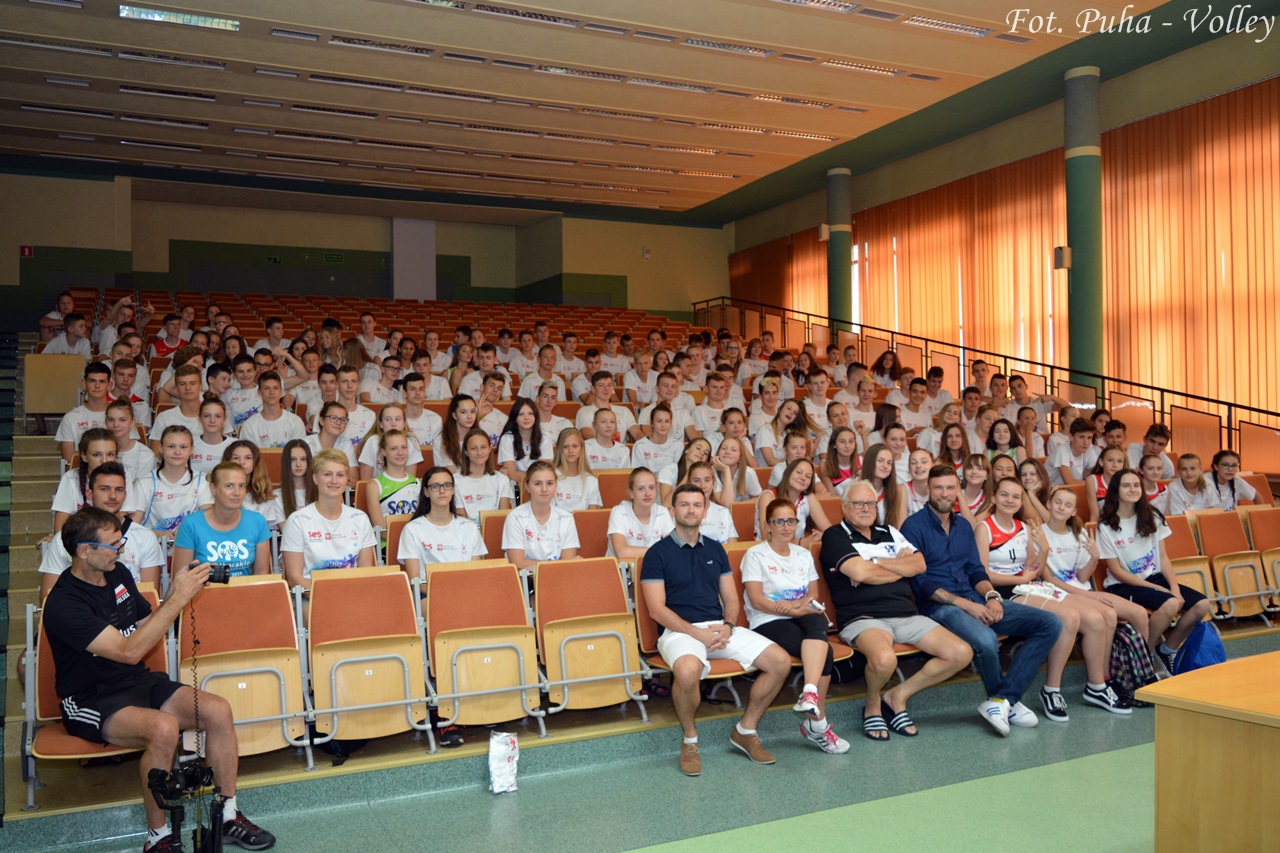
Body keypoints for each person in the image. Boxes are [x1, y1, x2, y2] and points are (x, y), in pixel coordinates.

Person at [43, 507, 275, 853]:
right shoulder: (64, 602)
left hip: (137, 682)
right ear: (83, 550)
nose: (120, 550)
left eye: (120, 543)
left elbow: (145, 623)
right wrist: (178, 598)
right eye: (112, 545)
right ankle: (158, 837)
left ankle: (227, 815)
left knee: (218, 710)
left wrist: (177, 592)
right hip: (90, 698)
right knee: (163, 728)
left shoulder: (117, 572)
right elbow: (127, 651)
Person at [900, 464, 1062, 737]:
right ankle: (1003, 701)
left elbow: (976, 570)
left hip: (976, 599)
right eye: (938, 487)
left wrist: (992, 597)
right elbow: (921, 584)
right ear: (928, 489)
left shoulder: (964, 526)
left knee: (1050, 623)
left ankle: (1002, 700)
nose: (944, 493)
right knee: (986, 639)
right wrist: (969, 606)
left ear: (957, 491)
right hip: (939, 607)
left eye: (950, 487)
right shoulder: (913, 526)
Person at [640, 484, 792, 776]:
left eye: (697, 505)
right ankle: (690, 740)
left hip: (718, 628)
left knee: (780, 661)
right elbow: (656, 611)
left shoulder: (715, 549)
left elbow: (731, 599)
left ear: (705, 511)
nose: (691, 510)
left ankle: (745, 731)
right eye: (684, 505)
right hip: (679, 632)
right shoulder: (657, 554)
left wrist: (728, 625)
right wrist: (698, 634)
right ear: (672, 511)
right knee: (686, 671)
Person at [820, 481, 973, 741]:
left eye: (870, 503)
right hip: (863, 617)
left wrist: (875, 563)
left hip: (906, 614)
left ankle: (896, 696)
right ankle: (872, 705)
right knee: (884, 659)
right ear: (844, 507)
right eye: (858, 503)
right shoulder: (835, 535)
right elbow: (859, 572)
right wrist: (898, 567)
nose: (866, 509)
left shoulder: (889, 531)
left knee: (961, 653)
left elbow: (919, 564)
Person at [977, 477, 1132, 720]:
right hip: (1006, 592)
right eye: (1005, 495)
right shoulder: (984, 528)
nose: (1010, 500)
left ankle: (1096, 686)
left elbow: (1034, 569)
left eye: (1016, 497)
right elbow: (982, 573)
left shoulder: (1024, 528)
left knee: (1096, 618)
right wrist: (1020, 579)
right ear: (994, 497)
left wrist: (1044, 551)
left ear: (1021, 502)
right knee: (1069, 617)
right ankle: (1051, 689)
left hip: (1029, 586)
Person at [739, 499, 849, 753]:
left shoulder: (803, 554)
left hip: (802, 614)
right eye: (779, 521)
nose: (786, 527)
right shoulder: (755, 554)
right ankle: (817, 722)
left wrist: (798, 606)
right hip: (768, 620)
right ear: (768, 525)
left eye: (791, 521)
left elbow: (812, 596)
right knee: (825, 652)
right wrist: (791, 607)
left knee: (816, 628)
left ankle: (809, 693)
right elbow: (757, 600)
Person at [1097, 470, 1213, 673]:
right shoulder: (1106, 526)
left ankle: (1167, 648)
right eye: (1126, 485)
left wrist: (1174, 588)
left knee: (1201, 605)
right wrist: (1160, 591)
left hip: (1154, 578)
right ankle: (1146, 655)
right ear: (1116, 490)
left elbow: (1163, 558)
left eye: (1136, 485)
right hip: (1122, 585)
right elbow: (1116, 571)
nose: (1132, 489)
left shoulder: (1153, 516)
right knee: (1170, 604)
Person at [39, 462, 164, 601]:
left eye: (119, 490)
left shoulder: (145, 537)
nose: (112, 496)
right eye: (104, 489)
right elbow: (48, 599)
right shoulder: (63, 538)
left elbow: (150, 598)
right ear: (89, 494)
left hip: (130, 615)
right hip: (80, 615)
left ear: (126, 494)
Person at [280, 450, 378, 593]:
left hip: (353, 594)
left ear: (346, 479)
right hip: (312, 597)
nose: (334, 481)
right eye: (327, 474)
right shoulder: (297, 521)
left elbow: (366, 571)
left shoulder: (360, 518)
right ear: (315, 478)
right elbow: (294, 578)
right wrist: (327, 599)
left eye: (340, 475)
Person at [172, 462, 272, 579]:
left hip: (245, 593)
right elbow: (181, 580)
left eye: (241, 486)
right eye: (229, 486)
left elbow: (261, 575)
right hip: (204, 594)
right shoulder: (191, 524)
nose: (237, 493)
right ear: (213, 489)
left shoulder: (257, 521)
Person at [398, 468, 487, 581]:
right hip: (429, 594)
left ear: (453, 490)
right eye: (435, 486)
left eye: (447, 485)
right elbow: (415, 581)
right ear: (426, 491)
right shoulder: (412, 529)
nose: (442, 491)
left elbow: (476, 575)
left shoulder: (470, 527)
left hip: (466, 591)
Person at [127, 426, 209, 539]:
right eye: (171, 446)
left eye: (183, 447)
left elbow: (208, 522)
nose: (177, 452)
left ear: (192, 450)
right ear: (160, 448)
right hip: (153, 549)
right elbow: (132, 527)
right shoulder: (144, 483)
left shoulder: (202, 481)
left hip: (191, 549)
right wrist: (156, 534)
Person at [501, 461, 580, 569]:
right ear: (527, 486)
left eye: (550, 483)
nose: (544, 489)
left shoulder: (566, 518)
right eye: (537, 484)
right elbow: (519, 563)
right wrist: (558, 565)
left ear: (556, 485)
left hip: (561, 580)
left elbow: (568, 566)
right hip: (526, 583)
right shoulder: (515, 518)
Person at [754, 458, 832, 545]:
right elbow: (768, 537)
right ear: (788, 473)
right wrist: (802, 542)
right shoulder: (768, 496)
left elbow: (829, 530)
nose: (803, 478)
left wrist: (822, 536)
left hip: (797, 552)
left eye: (808, 476)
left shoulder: (809, 498)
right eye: (799, 472)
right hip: (767, 552)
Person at [607, 468, 676, 560]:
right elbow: (622, 552)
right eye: (641, 489)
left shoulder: (662, 512)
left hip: (654, 570)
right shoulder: (619, 512)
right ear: (631, 493)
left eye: (651, 488)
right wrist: (660, 551)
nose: (647, 493)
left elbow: (674, 548)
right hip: (622, 572)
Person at [364, 430, 420, 538]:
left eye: (404, 447)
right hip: (389, 546)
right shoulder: (374, 485)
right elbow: (382, 532)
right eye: (394, 448)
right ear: (383, 452)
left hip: (416, 545)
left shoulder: (418, 483)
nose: (400, 453)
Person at [57, 362, 113, 463]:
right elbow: (70, 461)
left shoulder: (121, 415)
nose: (97, 386)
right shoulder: (70, 418)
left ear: (109, 385)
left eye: (102, 381)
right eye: (92, 381)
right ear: (84, 384)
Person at [454, 427, 514, 521]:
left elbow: (504, 518)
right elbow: (461, 520)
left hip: (493, 532)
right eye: (473, 448)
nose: (479, 452)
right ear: (466, 451)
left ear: (490, 449)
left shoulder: (502, 479)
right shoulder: (455, 481)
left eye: (483, 447)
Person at [222, 440, 284, 529]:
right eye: (236, 458)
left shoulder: (264, 495)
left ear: (255, 462)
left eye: (248, 458)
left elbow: (263, 531)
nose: (241, 462)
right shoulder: (218, 491)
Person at [237, 372, 305, 450]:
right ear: (259, 392)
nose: (272, 392)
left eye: (275, 388)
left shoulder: (295, 421)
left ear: (281, 391)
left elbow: (299, 454)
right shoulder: (249, 425)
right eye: (266, 388)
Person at [357, 403, 425, 480]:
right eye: (388, 419)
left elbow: (409, 480)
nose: (393, 424)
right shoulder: (372, 442)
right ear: (381, 424)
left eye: (398, 419)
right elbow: (365, 481)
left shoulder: (411, 441)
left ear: (404, 423)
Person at [497, 397, 553, 482]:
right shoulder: (507, 438)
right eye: (521, 414)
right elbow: (512, 474)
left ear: (535, 416)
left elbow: (543, 472)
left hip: (539, 487)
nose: (526, 418)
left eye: (530, 413)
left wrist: (536, 478)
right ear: (515, 418)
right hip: (515, 486)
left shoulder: (545, 437)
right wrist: (537, 478)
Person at [104, 398, 156, 484]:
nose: (116, 425)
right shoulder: (99, 451)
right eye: (111, 420)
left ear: (132, 422)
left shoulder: (146, 455)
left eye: (122, 420)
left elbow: (142, 491)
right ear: (105, 422)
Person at [857, 443, 908, 527]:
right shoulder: (856, 489)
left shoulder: (897, 491)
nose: (885, 466)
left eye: (889, 463)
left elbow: (900, 526)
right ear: (870, 462)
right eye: (880, 461)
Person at [551, 428, 603, 512]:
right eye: (565, 447)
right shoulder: (550, 477)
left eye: (575, 446)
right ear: (559, 449)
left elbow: (592, 517)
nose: (570, 451)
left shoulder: (591, 481)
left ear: (581, 448)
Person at [687, 461, 738, 544]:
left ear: (713, 483)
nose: (702, 485)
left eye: (707, 480)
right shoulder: (681, 512)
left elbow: (733, 547)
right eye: (697, 480)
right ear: (689, 483)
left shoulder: (724, 512)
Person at [304, 402, 358, 479]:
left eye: (343, 419)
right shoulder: (307, 443)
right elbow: (305, 478)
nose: (338, 423)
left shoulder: (346, 444)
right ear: (322, 420)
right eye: (333, 418)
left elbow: (353, 479)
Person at [1047, 418, 1101, 486]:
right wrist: (1093, 483)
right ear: (1071, 437)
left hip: (1072, 491)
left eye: (1089, 438)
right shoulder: (1062, 450)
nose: (1086, 442)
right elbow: (1069, 482)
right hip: (1051, 492)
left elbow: (1098, 475)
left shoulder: (1089, 449)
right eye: (1081, 437)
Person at [432, 394, 478, 473]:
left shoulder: (479, 438)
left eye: (473, 411)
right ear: (454, 415)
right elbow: (449, 473)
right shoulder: (441, 441)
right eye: (463, 412)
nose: (469, 416)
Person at [191, 395, 235, 476]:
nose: (212, 420)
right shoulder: (189, 443)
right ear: (200, 418)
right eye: (207, 416)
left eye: (218, 416)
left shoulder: (235, 445)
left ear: (224, 418)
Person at [713, 435, 762, 504]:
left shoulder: (748, 472)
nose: (727, 452)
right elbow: (727, 503)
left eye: (733, 450)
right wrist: (726, 470)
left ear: (740, 457)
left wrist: (738, 507)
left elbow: (758, 498)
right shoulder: (712, 472)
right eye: (724, 448)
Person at [1086, 446, 1128, 523]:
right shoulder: (1092, 480)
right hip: (1104, 525)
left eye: (1119, 461)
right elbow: (1095, 514)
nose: (1115, 465)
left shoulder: (1128, 481)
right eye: (1110, 460)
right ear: (1101, 462)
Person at [279, 439, 317, 521]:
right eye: (293, 459)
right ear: (286, 462)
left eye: (303, 459)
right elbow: (285, 530)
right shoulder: (278, 496)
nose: (298, 464)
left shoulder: (320, 492)